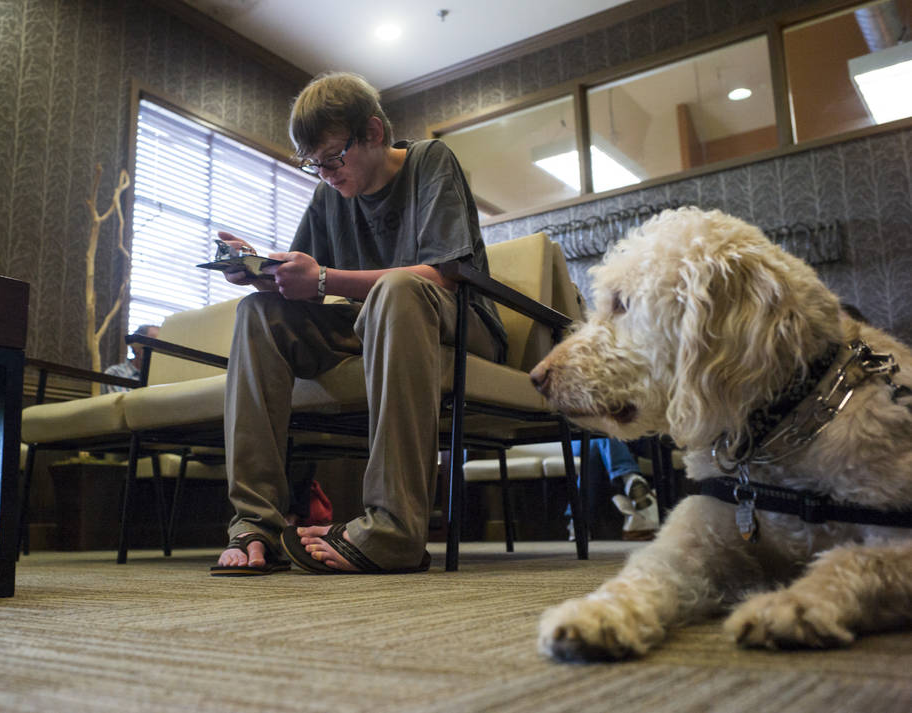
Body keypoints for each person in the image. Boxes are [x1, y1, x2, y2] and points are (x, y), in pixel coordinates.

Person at [210, 72, 506, 575]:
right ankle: (256, 523)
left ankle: (394, 530)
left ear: (372, 133)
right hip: (372, 322)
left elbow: (443, 276)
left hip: (460, 322)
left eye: (331, 159)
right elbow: (307, 281)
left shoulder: (431, 162)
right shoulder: (331, 196)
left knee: (399, 289)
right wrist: (261, 272)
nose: (324, 174)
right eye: (313, 165)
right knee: (259, 315)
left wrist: (323, 278)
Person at [569, 438, 658, 541]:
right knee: (600, 434)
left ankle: (578, 520)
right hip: (581, 438)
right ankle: (630, 479)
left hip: (631, 439)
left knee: (595, 443)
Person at [100, 324, 160, 393]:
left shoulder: (163, 377)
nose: (158, 350)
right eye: (153, 343)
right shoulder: (116, 374)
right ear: (135, 346)